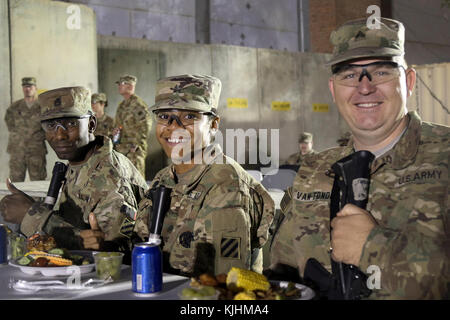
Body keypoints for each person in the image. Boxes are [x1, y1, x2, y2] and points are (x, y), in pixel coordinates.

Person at [268, 17, 449, 299]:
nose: (364, 87)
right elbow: (281, 268)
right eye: (349, 75)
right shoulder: (314, 170)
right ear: (333, 89)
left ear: (409, 81)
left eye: (381, 72)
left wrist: (374, 248)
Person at [133, 74, 275, 277]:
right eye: (164, 117)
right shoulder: (163, 178)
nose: (173, 127)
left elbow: (224, 282)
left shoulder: (226, 185)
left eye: (189, 117)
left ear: (213, 125)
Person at [0, 86, 148, 255]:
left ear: (91, 124)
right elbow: (77, 226)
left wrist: (32, 215)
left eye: (71, 124)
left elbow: (111, 253)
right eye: (50, 126)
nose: (60, 135)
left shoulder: (109, 175)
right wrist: (32, 207)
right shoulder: (81, 161)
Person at [4, 77, 47, 182]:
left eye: (30, 86)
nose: (27, 89)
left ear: (35, 88)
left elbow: (48, 125)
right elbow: (9, 121)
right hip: (18, 149)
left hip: (36, 149)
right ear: (22, 88)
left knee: (38, 180)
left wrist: (39, 136)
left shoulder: (42, 107)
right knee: (15, 181)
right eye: (25, 87)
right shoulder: (15, 106)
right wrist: (18, 135)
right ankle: (17, 199)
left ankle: (37, 199)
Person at [113, 75, 152, 178]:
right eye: (119, 84)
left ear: (130, 87)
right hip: (122, 149)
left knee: (136, 179)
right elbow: (117, 125)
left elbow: (145, 126)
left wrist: (136, 145)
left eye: (122, 84)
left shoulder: (138, 105)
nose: (119, 87)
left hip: (134, 150)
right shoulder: (121, 105)